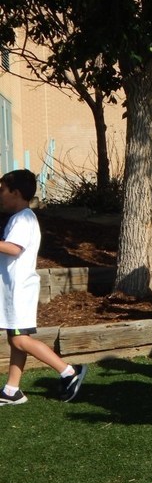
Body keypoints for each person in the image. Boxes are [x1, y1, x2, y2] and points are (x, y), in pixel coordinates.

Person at [0, 169, 87, 406]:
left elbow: (13, 249)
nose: (0, 195)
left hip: (19, 290)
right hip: (13, 290)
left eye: (2, 191)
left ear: (15, 193)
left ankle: (69, 371)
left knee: (19, 340)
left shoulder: (24, 218)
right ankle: (12, 390)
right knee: (16, 338)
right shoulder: (19, 218)